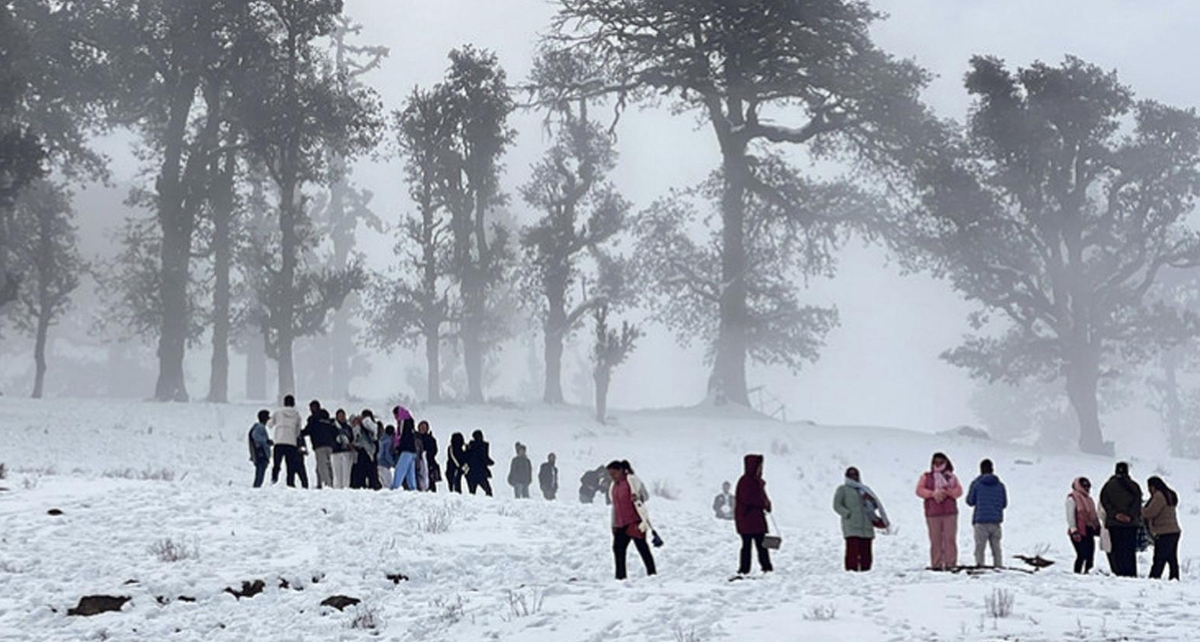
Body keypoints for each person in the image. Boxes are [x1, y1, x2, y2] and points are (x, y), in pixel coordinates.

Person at [607, 460, 656, 580]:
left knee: (642, 547)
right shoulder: (613, 486)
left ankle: (652, 573)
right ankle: (620, 577)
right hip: (620, 524)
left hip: (634, 521)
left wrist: (638, 496)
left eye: (614, 473)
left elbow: (645, 495)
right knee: (618, 549)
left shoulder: (632, 481)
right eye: (610, 474)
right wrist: (613, 524)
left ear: (620, 471)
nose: (612, 477)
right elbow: (615, 506)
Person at [833, 467, 889, 572]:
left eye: (856, 475)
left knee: (866, 551)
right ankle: (851, 571)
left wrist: (870, 500)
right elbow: (837, 505)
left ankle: (866, 571)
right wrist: (847, 514)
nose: (854, 477)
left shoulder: (864, 490)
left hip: (866, 524)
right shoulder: (843, 489)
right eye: (851, 475)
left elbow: (874, 505)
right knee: (852, 551)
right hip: (852, 525)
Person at [915, 452, 963, 570]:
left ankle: (950, 563)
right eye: (935, 462)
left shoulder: (952, 477)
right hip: (933, 513)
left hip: (949, 512)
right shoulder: (926, 477)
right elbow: (919, 490)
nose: (937, 464)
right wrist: (932, 494)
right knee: (935, 540)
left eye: (940, 462)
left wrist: (948, 492)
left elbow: (959, 491)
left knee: (950, 539)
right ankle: (936, 564)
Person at [1100, 461, 1143, 578]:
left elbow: (1104, 502)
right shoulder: (1134, 486)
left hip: (1115, 524)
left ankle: (1119, 572)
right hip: (1131, 524)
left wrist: (1115, 515)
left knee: (1117, 550)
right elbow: (1138, 503)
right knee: (1129, 550)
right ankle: (1131, 573)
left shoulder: (1108, 486)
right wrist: (1130, 516)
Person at [735, 454, 774, 575]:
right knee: (749, 546)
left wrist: (767, 504)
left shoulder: (756, 481)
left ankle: (764, 567)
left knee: (760, 545)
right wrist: (764, 504)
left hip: (754, 520)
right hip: (748, 520)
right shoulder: (746, 481)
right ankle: (746, 569)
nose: (761, 469)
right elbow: (751, 499)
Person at [965, 459, 1008, 568]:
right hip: (995, 521)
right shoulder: (1000, 485)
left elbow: (970, 501)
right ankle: (998, 565)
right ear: (992, 469)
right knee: (996, 547)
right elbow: (1004, 503)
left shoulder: (977, 484)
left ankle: (980, 565)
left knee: (980, 547)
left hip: (980, 520)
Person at [1143, 476, 1181, 580]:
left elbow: (1150, 513)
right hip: (1174, 530)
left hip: (1164, 531)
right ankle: (1174, 578)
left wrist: (1140, 510)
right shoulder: (1169, 494)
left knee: (1159, 558)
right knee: (1172, 558)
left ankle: (1154, 577)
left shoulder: (1159, 496)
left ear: (1153, 487)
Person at [269, 395, 308, 488]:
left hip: (279, 441)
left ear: (284, 402)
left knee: (277, 463)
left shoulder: (278, 412)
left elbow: (270, 424)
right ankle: (290, 482)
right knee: (290, 464)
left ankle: (274, 479)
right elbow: (298, 431)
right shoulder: (297, 415)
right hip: (291, 443)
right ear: (293, 403)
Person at [1065, 477, 1101, 574]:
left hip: (1089, 529)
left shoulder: (1089, 499)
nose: (1086, 488)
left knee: (1090, 554)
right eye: (1084, 486)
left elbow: (1093, 515)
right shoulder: (1072, 498)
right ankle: (1077, 573)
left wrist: (1097, 527)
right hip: (1079, 531)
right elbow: (1070, 515)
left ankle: (1088, 572)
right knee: (1081, 554)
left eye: (1088, 486)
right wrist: (1074, 530)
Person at [302, 403, 338, 489]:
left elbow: (308, 430)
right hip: (330, 445)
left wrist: (299, 433)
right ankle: (328, 482)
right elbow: (334, 431)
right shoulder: (328, 419)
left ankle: (326, 484)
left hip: (319, 445)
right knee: (328, 465)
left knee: (322, 465)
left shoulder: (313, 419)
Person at [351, 412, 379, 490]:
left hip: (368, 452)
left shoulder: (368, 427)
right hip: (364, 452)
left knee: (370, 472)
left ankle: (370, 486)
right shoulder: (358, 428)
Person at [391, 417, 418, 491]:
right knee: (410, 471)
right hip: (413, 451)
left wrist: (398, 447)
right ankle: (413, 488)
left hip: (406, 451)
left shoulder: (403, 425)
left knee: (400, 469)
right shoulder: (411, 427)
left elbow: (402, 438)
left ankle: (395, 487)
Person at [464, 430, 494, 496]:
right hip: (481, 473)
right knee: (488, 490)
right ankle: (490, 503)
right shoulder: (483, 446)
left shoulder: (470, 446)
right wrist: (490, 462)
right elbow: (484, 458)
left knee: (472, 492)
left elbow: (466, 458)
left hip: (471, 473)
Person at [331, 409, 355, 490]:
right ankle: (337, 488)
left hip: (346, 452)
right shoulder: (333, 427)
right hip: (336, 452)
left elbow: (352, 438)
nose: (342, 417)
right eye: (340, 416)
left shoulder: (348, 428)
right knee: (337, 473)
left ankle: (346, 487)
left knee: (346, 473)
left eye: (343, 416)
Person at [248, 409, 272, 488]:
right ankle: (256, 487)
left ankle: (257, 486)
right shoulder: (260, 427)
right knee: (260, 472)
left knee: (260, 471)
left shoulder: (258, 427)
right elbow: (256, 436)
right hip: (261, 453)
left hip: (259, 453)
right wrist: (266, 441)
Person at [418, 420, 440, 492]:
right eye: (421, 427)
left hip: (429, 461)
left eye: (424, 427)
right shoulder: (416, 438)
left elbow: (434, 450)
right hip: (418, 461)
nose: (422, 429)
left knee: (431, 480)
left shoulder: (431, 439)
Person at [376, 424, 396, 490]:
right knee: (388, 484)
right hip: (385, 464)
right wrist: (393, 463)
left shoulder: (381, 439)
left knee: (382, 482)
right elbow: (387, 454)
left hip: (379, 463)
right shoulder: (388, 441)